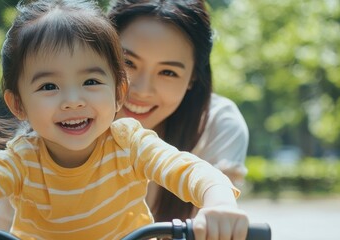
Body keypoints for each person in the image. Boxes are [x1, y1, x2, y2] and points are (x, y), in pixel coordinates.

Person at [0, 0, 249, 239]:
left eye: (91, 82)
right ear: (18, 104)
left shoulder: (129, 141)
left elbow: (188, 170)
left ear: (118, 92)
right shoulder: (21, 158)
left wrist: (218, 202)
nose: (73, 101)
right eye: (49, 86)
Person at [107, 0, 249, 222]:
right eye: (128, 62)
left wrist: (220, 204)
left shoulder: (216, 125)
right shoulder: (57, 116)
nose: (142, 90)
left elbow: (217, 211)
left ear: (192, 77)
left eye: (168, 72)